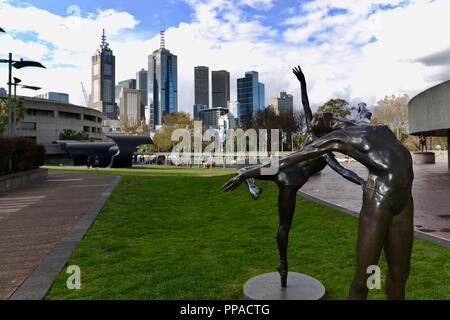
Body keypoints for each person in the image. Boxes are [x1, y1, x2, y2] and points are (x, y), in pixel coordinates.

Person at [223, 111, 414, 300]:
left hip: (405, 201)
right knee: (364, 278)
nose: (315, 117)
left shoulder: (365, 123)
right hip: (379, 201)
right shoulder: (338, 138)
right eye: (315, 120)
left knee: (400, 275)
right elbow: (288, 160)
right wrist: (247, 173)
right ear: (321, 128)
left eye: (317, 117)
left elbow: (360, 114)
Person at [236, 66, 367, 288]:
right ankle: (283, 264)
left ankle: (252, 186)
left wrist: (303, 83)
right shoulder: (326, 151)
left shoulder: (311, 135)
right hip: (291, 180)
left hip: (281, 168)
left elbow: (306, 106)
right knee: (284, 226)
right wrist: (362, 182)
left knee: (244, 169)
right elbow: (344, 171)